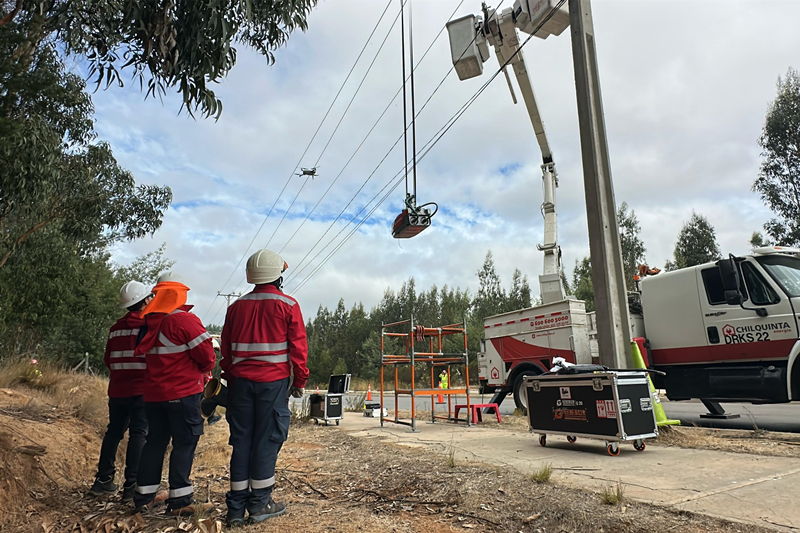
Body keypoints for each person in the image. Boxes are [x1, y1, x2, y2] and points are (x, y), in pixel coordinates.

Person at [220, 249, 308, 526]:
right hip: (273, 384)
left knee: (242, 441)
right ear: (278, 275)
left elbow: (226, 351)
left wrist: (232, 380)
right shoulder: (288, 305)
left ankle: (235, 509)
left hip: (241, 384)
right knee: (267, 441)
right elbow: (298, 350)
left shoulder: (235, 308)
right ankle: (259, 504)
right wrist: (300, 381)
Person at [132, 272, 216, 515]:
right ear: (178, 293)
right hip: (182, 394)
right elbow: (207, 358)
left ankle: (144, 498)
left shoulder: (148, 321)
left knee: (155, 443)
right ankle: (180, 501)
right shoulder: (184, 321)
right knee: (185, 442)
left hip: (153, 395)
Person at [89, 281, 153, 501]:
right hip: (141, 390)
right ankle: (131, 486)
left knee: (113, 432)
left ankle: (103, 480)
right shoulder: (149, 326)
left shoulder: (115, 328)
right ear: (145, 300)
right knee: (139, 435)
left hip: (117, 390)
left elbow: (108, 359)